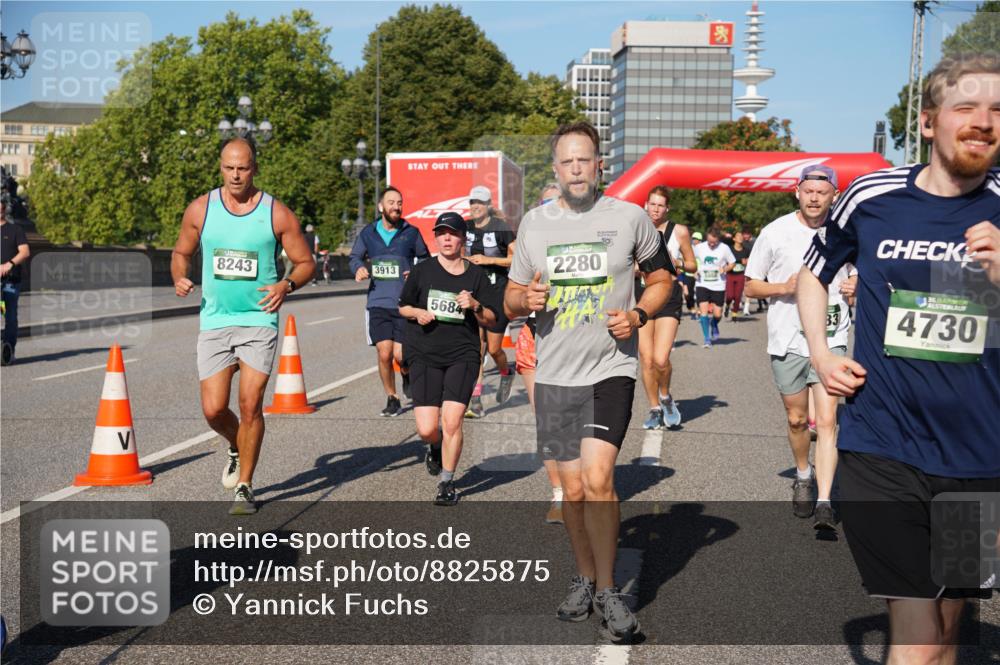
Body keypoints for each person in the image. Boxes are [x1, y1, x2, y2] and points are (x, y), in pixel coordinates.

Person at [799, 54, 1000, 662]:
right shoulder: (872, 195)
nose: (984, 122)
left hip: (981, 458)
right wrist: (822, 355)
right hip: (882, 450)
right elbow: (813, 275)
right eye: (967, 107)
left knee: (947, 623)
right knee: (916, 636)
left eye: (998, 111)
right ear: (930, 120)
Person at [505, 121, 673, 643]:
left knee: (599, 480)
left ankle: (608, 592)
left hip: (610, 368)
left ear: (600, 164)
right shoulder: (534, 224)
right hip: (555, 374)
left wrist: (640, 316)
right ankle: (583, 575)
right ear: (555, 169)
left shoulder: (629, 218)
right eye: (567, 162)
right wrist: (523, 302)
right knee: (572, 490)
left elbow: (662, 278)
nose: (576, 169)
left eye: (585, 160)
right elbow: (510, 299)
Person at [172, 137, 315, 515]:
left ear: (254, 168)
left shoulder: (276, 213)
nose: (236, 175)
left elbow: (305, 263)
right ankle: (237, 444)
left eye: (243, 168)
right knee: (214, 410)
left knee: (250, 403)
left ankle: (246, 486)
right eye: (229, 167)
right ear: (220, 167)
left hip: (258, 320)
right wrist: (179, 276)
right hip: (215, 320)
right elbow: (181, 252)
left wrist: (287, 284)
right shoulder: (201, 209)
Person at [744, 164, 855, 528]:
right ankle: (803, 475)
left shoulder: (846, 234)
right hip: (787, 338)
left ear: (834, 195)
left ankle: (824, 500)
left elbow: (859, 272)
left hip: (832, 337)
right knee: (796, 420)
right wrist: (784, 288)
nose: (814, 197)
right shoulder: (774, 232)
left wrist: (855, 284)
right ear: (797, 191)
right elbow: (751, 286)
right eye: (808, 191)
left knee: (826, 421)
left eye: (822, 192)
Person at [398, 212, 500, 505]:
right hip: (425, 353)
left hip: (462, 354)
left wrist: (476, 305)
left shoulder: (475, 275)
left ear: (462, 238)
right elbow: (403, 306)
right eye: (441, 233)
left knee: (452, 421)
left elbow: (492, 319)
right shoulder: (422, 271)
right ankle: (434, 447)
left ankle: (446, 482)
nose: (446, 238)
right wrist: (417, 313)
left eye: (452, 233)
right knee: (427, 428)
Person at [349, 186, 430, 416]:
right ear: (381, 207)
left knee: (400, 355)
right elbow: (355, 257)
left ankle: (406, 373)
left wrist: (414, 271)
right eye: (392, 202)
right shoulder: (368, 233)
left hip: (404, 303)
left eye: (400, 203)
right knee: (384, 353)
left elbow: (424, 258)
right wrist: (359, 268)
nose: (397, 206)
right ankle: (392, 397)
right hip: (377, 302)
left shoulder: (410, 232)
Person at [518, 184, 567, 525]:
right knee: (548, 424)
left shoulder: (587, 243)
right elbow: (510, 296)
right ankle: (560, 494)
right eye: (546, 204)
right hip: (535, 338)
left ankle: (585, 483)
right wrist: (525, 297)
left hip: (579, 339)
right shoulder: (527, 246)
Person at [637, 186, 696, 430]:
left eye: (660, 205)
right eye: (652, 204)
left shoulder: (679, 231)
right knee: (647, 359)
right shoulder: (635, 229)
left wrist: (678, 262)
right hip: (641, 296)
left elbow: (693, 265)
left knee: (661, 359)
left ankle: (666, 397)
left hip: (668, 296)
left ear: (667, 208)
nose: (656, 209)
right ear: (646, 204)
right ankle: (653, 408)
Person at [464, 185, 516, 418]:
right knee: (477, 347)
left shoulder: (501, 229)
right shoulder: (464, 227)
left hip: (498, 293)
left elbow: (515, 259)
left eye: (480, 202)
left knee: (494, 349)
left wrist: (488, 260)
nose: (475, 206)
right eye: (472, 202)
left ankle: (506, 372)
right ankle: (475, 400)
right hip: (475, 293)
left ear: (488, 205)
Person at [693, 226, 736, 347]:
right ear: (706, 238)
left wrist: (725, 268)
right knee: (703, 312)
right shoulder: (699, 247)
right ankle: (707, 339)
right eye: (709, 242)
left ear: (719, 240)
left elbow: (732, 263)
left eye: (714, 242)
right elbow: (691, 260)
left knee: (717, 314)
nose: (711, 245)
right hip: (702, 283)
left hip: (718, 284)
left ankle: (714, 324)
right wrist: (694, 270)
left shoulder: (724, 248)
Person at [1, 198, 29, 366]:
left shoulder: (15, 230)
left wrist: (9, 264)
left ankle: (9, 350)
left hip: (10, 282)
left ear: (4, 211)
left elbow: (25, 252)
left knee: (10, 316)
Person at [724, 229, 750, 319]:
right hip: (730, 274)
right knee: (730, 295)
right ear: (734, 239)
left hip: (740, 275)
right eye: (738, 236)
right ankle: (727, 305)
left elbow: (749, 261)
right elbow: (724, 260)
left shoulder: (746, 250)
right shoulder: (729, 249)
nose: (740, 237)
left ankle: (734, 312)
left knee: (738, 296)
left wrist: (746, 262)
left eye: (741, 236)